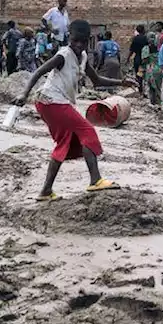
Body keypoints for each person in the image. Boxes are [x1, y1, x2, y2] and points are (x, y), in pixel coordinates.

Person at [15, 20, 131, 199]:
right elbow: (38, 72)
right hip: (51, 101)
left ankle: (46, 191)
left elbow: (97, 80)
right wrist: (24, 94)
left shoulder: (83, 57)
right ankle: (96, 180)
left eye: (83, 42)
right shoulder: (63, 54)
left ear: (88, 42)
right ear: (69, 37)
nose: (78, 45)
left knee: (66, 142)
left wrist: (122, 82)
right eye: (75, 40)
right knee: (88, 131)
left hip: (55, 103)